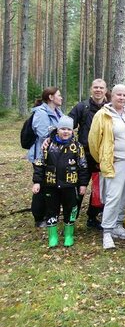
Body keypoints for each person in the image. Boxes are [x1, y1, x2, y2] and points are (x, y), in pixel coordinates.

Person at [88, 84, 125, 250]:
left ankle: (118, 224)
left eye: (124, 95)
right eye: (119, 95)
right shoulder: (102, 114)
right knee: (113, 196)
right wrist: (104, 159)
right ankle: (107, 232)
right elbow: (93, 141)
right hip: (115, 161)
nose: (122, 98)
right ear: (112, 96)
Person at [32, 116, 89, 247]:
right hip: (50, 185)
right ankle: (53, 236)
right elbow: (40, 164)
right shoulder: (48, 145)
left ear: (72, 131)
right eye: (62, 129)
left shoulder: (77, 147)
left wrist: (83, 184)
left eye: (68, 129)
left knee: (71, 209)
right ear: (57, 129)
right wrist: (37, 181)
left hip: (70, 185)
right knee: (51, 210)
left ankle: (69, 234)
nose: (65, 132)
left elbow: (83, 167)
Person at [69, 78, 108, 229]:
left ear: (105, 90)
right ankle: (71, 218)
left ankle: (92, 217)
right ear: (91, 89)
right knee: (79, 187)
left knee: (99, 189)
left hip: (102, 156)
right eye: (96, 87)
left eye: (101, 88)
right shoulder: (81, 107)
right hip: (83, 155)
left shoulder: (109, 108)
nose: (98, 90)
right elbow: (67, 124)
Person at [28, 87, 64, 227]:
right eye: (59, 95)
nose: (61, 98)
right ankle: (38, 216)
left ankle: (49, 213)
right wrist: (59, 134)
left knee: (50, 185)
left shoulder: (58, 112)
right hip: (41, 156)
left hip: (55, 156)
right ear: (50, 97)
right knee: (41, 185)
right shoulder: (41, 113)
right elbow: (43, 134)